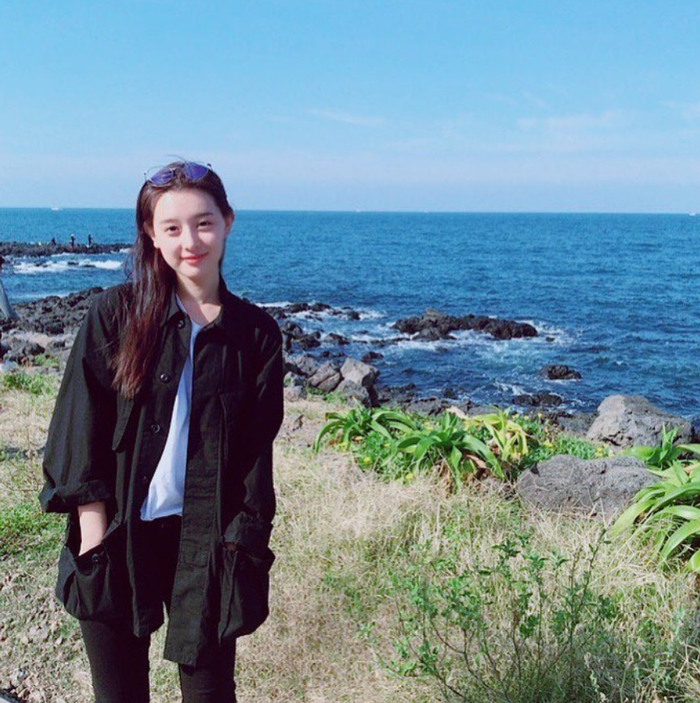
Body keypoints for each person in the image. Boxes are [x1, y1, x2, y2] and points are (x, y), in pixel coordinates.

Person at [39, 161, 285, 702]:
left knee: (210, 694)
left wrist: (241, 545)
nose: (190, 241)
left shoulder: (256, 336)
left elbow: (254, 457)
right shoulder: (116, 315)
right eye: (172, 227)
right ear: (152, 234)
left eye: (204, 223)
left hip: (206, 542)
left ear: (227, 222)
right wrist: (94, 538)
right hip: (119, 533)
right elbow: (78, 431)